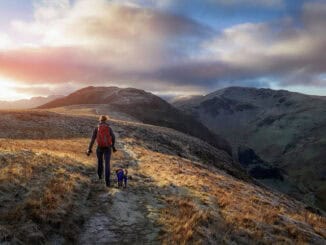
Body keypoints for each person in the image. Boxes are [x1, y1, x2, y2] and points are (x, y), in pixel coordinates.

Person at [87, 115, 117, 187]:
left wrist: (89, 149)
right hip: (108, 148)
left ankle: (100, 176)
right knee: (107, 164)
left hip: (99, 147)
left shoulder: (97, 128)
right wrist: (113, 146)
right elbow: (113, 137)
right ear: (106, 120)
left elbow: (92, 139)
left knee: (100, 161)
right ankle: (107, 182)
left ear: (100, 120)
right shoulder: (108, 128)